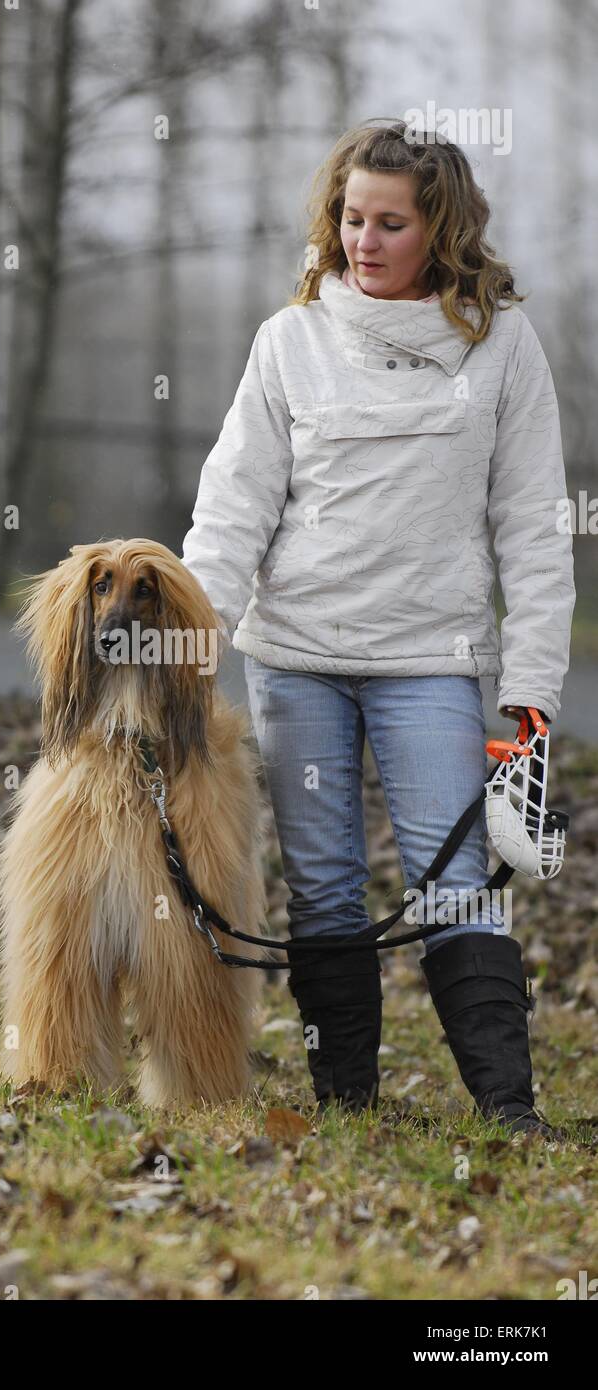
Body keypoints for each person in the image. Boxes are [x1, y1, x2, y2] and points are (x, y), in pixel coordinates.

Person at [180, 118, 575, 1137]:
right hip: (296, 659)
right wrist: (186, 647)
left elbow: (533, 525)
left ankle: (508, 1107)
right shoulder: (292, 339)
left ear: (440, 228)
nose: (363, 238)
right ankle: (345, 1104)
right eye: (351, 217)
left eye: (389, 222)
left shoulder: (501, 344)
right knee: (323, 887)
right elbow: (233, 511)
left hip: (432, 661)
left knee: (455, 888)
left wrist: (530, 692)